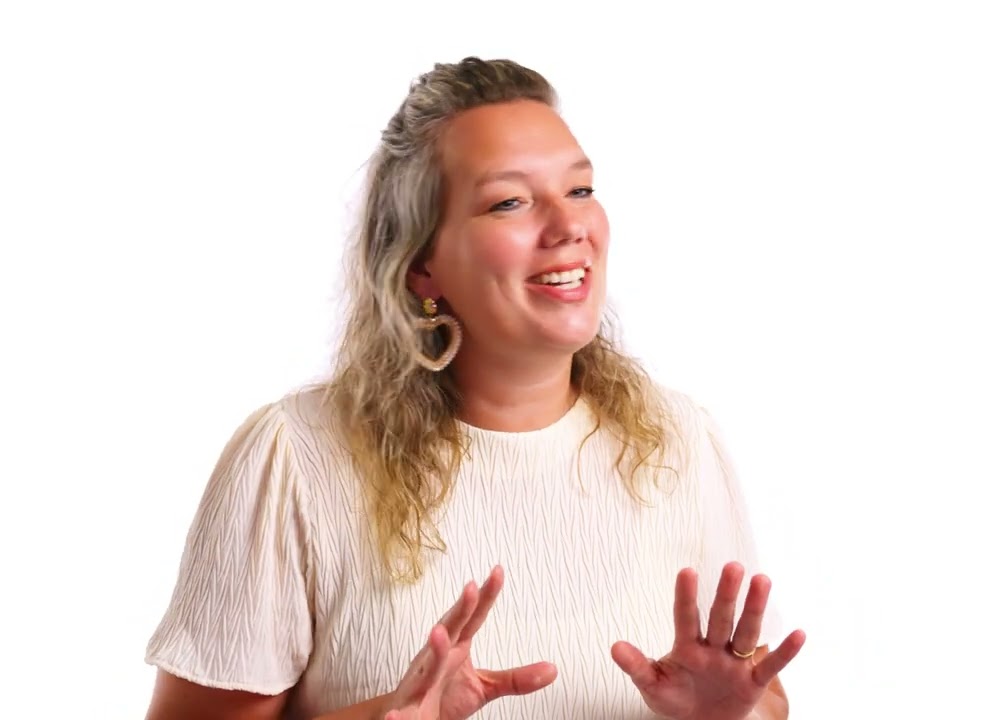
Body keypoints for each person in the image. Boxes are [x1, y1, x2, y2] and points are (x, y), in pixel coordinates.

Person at [142, 56, 805, 720]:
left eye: (580, 189)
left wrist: (729, 716)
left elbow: (761, 698)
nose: (569, 226)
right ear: (421, 266)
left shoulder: (679, 440)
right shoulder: (295, 456)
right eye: (509, 202)